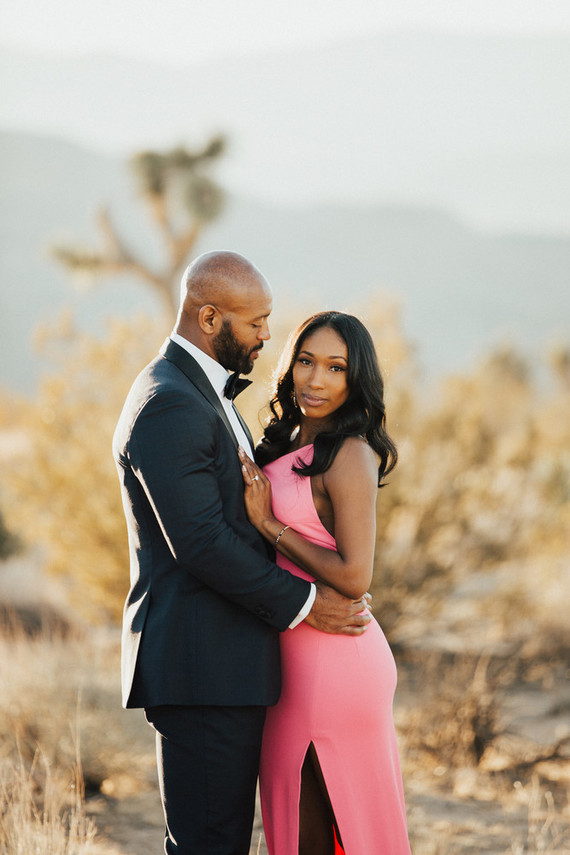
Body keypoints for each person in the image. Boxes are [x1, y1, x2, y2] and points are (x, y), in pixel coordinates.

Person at [112, 252, 372, 855]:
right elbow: (200, 543)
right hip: (202, 667)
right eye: (255, 323)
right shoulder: (169, 401)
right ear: (209, 317)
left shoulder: (203, 392)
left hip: (229, 664)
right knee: (209, 844)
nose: (266, 335)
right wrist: (308, 603)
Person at [238, 310, 412, 855]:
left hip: (336, 661)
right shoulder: (283, 443)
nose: (316, 380)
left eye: (335, 368)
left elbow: (356, 575)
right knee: (293, 824)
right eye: (307, 362)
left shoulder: (351, 453)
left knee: (323, 835)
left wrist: (271, 525)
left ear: (355, 378)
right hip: (288, 658)